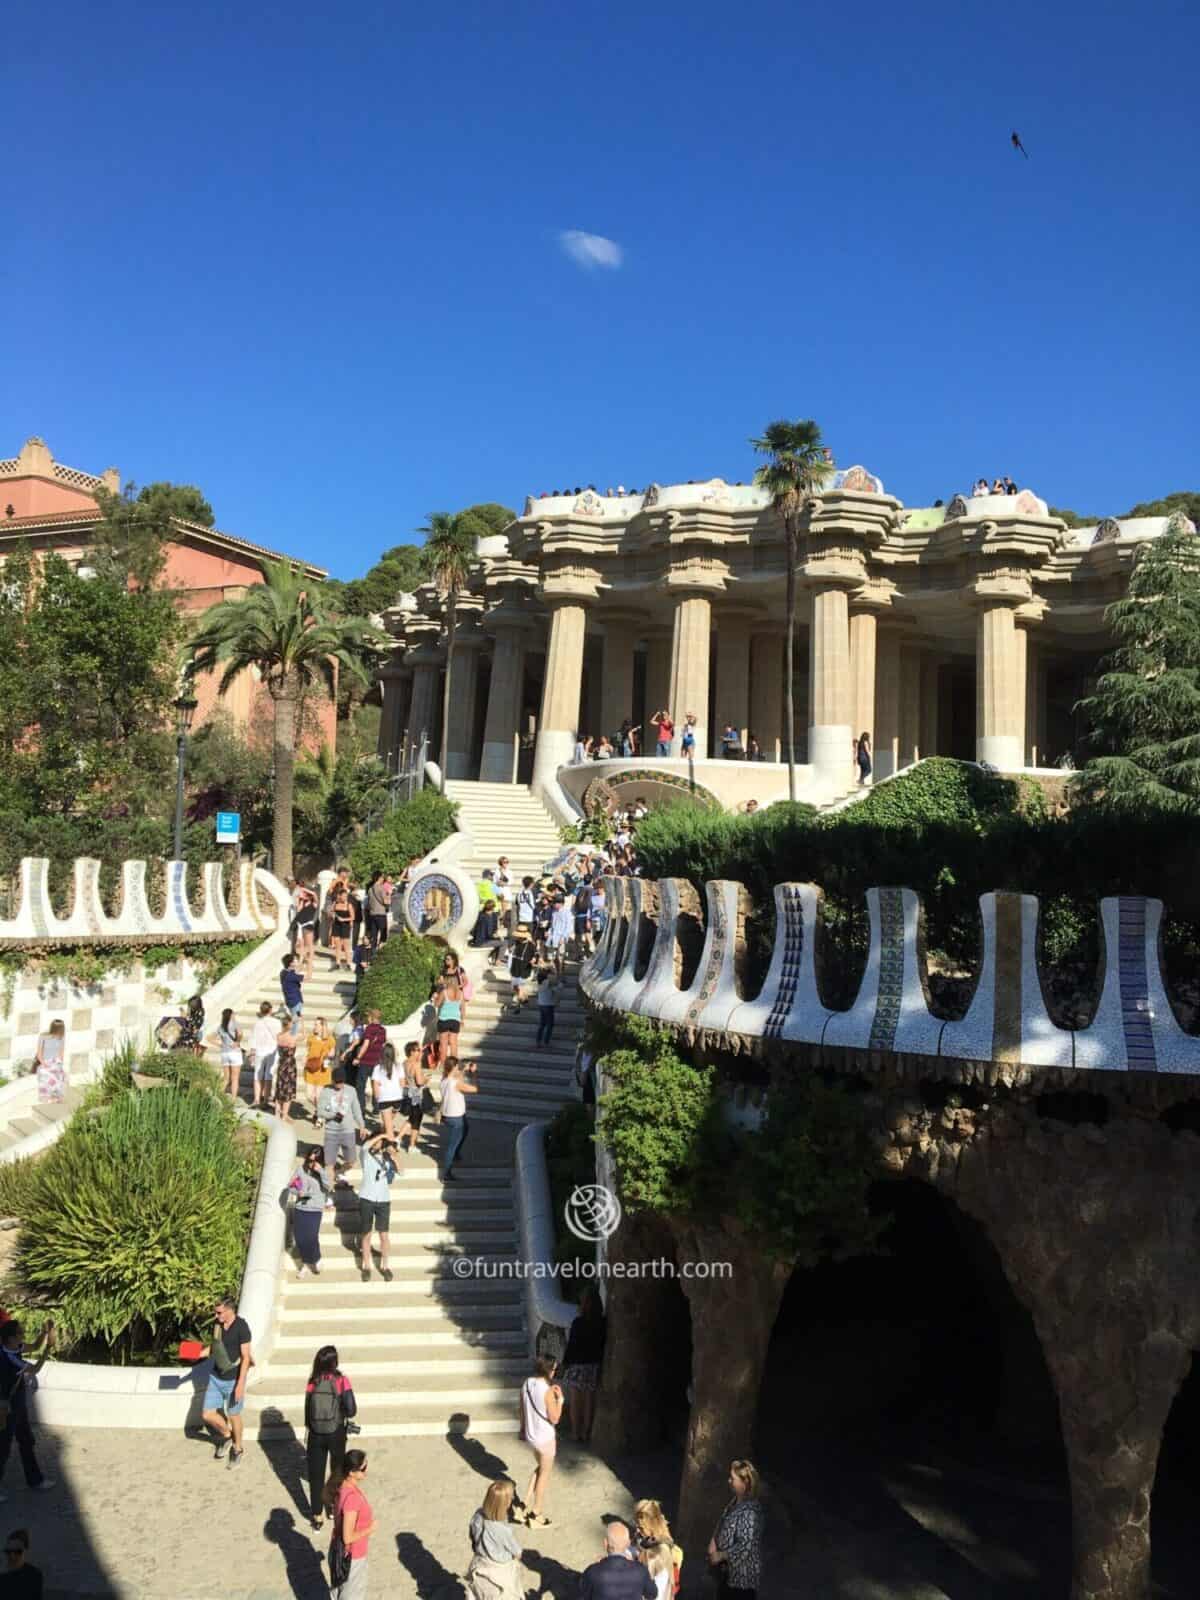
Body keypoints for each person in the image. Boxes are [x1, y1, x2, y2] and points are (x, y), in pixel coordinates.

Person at [305, 1346, 357, 1531]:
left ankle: (317, 1515)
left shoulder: (313, 1381)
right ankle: (334, 1507)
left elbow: (307, 1410)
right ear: (335, 1362)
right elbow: (352, 1410)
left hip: (315, 1433)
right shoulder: (342, 1380)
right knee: (337, 1471)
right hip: (336, 1432)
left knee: (316, 1475)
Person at [0, 1324, 54, 1500]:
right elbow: (35, 1369)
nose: (23, 1335)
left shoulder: (13, 1347)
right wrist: (49, 1348)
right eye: (20, 1333)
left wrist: (44, 1333)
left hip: (17, 1402)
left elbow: (34, 1346)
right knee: (3, 1446)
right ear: (10, 1339)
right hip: (6, 1406)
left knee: (26, 1440)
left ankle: (35, 1480)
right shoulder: (10, 1359)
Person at [200, 1297, 252, 1469]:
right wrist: (196, 1353)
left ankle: (238, 1449)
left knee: (234, 1415)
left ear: (230, 1310)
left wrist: (240, 1384)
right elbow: (214, 1348)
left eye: (219, 1312)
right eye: (216, 1312)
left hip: (233, 1380)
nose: (216, 1315)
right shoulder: (217, 1326)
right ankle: (227, 1435)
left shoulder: (242, 1327)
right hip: (216, 1377)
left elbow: (246, 1358)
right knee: (207, 1414)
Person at [707, 1459, 765, 1600]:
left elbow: (746, 1546)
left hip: (740, 1581)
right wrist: (714, 1540)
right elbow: (724, 1522)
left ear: (744, 1484)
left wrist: (721, 1555)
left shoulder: (750, 1511)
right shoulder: (735, 1501)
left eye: (733, 1478)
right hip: (727, 1576)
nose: (729, 1481)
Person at [517, 1355, 562, 1529]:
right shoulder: (548, 1391)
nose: (554, 1372)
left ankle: (524, 1504)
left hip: (531, 1435)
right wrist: (561, 1401)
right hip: (545, 1438)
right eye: (554, 1369)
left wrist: (522, 1428)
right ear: (548, 1370)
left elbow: (521, 1407)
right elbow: (555, 1418)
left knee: (540, 1468)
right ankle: (536, 1513)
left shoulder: (527, 1383)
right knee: (544, 1475)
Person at [325, 1449, 374, 1600]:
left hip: (337, 1551)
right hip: (352, 1556)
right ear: (352, 1472)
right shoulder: (352, 1498)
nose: (366, 1471)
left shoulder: (341, 1487)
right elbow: (348, 1537)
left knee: (337, 1592)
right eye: (363, 1468)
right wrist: (369, 1529)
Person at [466, 1478, 525, 1600]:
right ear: (506, 1503)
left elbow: (472, 1536)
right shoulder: (502, 1529)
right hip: (499, 1569)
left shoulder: (477, 1515)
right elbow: (517, 1552)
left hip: (480, 1562)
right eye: (511, 1498)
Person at [561, 1285, 606, 1442]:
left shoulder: (578, 1323)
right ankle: (586, 1432)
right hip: (593, 1366)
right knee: (589, 1401)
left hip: (578, 1365)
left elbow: (572, 1345)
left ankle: (575, 1432)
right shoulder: (602, 1322)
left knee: (575, 1401)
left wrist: (565, 1362)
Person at [319, 1067, 365, 1199]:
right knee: (329, 1164)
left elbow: (356, 1110)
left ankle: (339, 1172)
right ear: (332, 1080)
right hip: (331, 1132)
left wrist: (362, 1125)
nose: (339, 1085)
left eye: (341, 1082)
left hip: (348, 1131)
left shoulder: (351, 1091)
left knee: (351, 1161)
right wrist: (333, 1115)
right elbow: (320, 1111)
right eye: (337, 1082)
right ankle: (329, 1194)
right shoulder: (326, 1091)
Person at [579, 1520, 655, 1600]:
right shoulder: (640, 1570)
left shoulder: (592, 1572)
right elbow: (652, 1594)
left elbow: (584, 1593)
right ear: (628, 1543)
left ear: (605, 1544)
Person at [288, 1147, 329, 1277]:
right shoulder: (301, 1169)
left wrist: (320, 1171)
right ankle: (305, 1264)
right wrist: (297, 1191)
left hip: (315, 1208)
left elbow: (328, 1186)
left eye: (314, 1161)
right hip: (301, 1206)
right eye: (310, 1160)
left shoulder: (322, 1172)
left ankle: (316, 1259)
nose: (311, 1163)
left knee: (311, 1237)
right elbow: (291, 1185)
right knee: (300, 1238)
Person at [634, 1501, 682, 1599]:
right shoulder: (647, 1539)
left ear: (652, 1525)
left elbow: (658, 1592)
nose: (637, 1530)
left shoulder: (662, 1551)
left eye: (641, 1527)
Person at [440, 1058, 479, 1182]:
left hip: (448, 1115)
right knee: (452, 1146)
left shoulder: (444, 1080)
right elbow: (474, 1089)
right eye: (458, 1067)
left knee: (466, 1128)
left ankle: (456, 1153)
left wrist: (463, 1070)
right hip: (456, 1118)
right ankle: (446, 1172)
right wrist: (473, 1074)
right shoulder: (455, 1083)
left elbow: (457, 1079)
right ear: (455, 1067)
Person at [345, 1008, 386, 1116]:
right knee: (375, 1085)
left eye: (368, 1016)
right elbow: (382, 1045)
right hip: (377, 1062)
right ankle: (376, 1109)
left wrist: (358, 1057)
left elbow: (366, 1044)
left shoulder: (369, 1028)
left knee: (360, 1086)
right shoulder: (383, 1030)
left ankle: (361, 1110)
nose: (367, 1018)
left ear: (371, 1017)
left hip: (366, 1061)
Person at [371, 1043, 407, 1140]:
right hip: (397, 1098)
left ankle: (391, 1150)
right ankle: (384, 1134)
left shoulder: (378, 1068)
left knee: (389, 1130)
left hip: (384, 1099)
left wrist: (377, 1098)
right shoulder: (399, 1067)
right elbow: (403, 1084)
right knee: (389, 1123)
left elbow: (375, 1086)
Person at [251, 1001, 281, 1112]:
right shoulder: (277, 1022)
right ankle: (266, 1099)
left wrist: (252, 1052)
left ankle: (256, 1099)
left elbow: (254, 1038)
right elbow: (279, 1037)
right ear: (270, 1010)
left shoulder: (258, 1023)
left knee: (257, 1075)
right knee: (269, 1075)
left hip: (260, 1051)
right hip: (272, 1051)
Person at [397, 1040, 426, 1153]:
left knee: (414, 1118)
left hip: (407, 1092)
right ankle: (406, 1141)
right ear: (412, 1051)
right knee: (416, 1119)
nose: (420, 1052)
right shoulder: (416, 1065)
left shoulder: (404, 1063)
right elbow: (419, 1081)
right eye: (418, 1050)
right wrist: (426, 1079)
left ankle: (407, 1142)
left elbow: (403, 1081)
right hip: (416, 1094)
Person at [304, 1017, 335, 1120]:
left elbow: (333, 1053)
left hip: (322, 1070)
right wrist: (304, 1059)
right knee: (309, 1096)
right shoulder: (311, 1038)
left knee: (318, 1096)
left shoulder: (330, 1039)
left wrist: (330, 1055)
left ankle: (320, 1118)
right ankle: (322, 1110)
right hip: (311, 1069)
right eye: (314, 1024)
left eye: (317, 1025)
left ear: (323, 1026)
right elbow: (308, 1051)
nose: (315, 1027)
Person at [0, 1528, 42, 1597]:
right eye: (8, 1551)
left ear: (26, 1551)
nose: (12, 1556)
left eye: (18, 1551)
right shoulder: (3, 1577)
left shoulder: (34, 1576)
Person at [32, 1022, 65, 1107]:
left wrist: (59, 1064)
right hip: (45, 1062)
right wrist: (44, 1063)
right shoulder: (43, 1037)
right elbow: (39, 1053)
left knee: (60, 1074)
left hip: (56, 1062)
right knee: (45, 1073)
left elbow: (61, 1053)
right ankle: (48, 1097)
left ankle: (56, 1096)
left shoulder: (61, 1038)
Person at [274, 1015, 300, 1121]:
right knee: (288, 1091)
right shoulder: (292, 1038)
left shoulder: (278, 1036)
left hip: (281, 1064)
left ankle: (276, 1113)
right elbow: (304, 1035)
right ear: (289, 1024)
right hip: (290, 1065)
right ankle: (284, 1116)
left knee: (280, 1088)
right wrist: (301, 1023)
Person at [214, 1008, 244, 1099]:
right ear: (231, 1015)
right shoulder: (235, 1023)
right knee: (235, 1078)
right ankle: (233, 1099)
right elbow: (240, 1033)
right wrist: (238, 1042)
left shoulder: (221, 1026)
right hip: (234, 1053)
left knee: (226, 1078)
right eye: (233, 1014)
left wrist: (220, 1044)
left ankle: (217, 1096)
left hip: (224, 1053)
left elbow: (209, 1038)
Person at [436, 980, 463, 1064]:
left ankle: (444, 1065)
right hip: (455, 1020)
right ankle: (454, 1065)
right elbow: (463, 1008)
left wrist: (435, 997)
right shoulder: (461, 993)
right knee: (453, 1043)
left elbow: (437, 1004)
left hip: (444, 1019)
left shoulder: (445, 992)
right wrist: (462, 1019)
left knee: (443, 1044)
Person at [364, 873, 392, 953]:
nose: (383, 879)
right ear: (379, 878)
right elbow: (386, 902)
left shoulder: (370, 889)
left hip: (372, 914)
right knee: (383, 935)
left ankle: (373, 953)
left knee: (374, 935)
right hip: (381, 914)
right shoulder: (381, 888)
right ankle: (381, 952)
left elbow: (369, 903)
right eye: (382, 877)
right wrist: (389, 894)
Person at [329, 884, 354, 971]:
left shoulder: (349, 905)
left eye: (346, 896)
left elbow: (353, 917)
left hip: (345, 926)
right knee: (337, 945)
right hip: (336, 925)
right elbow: (330, 913)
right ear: (339, 896)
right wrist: (332, 915)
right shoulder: (335, 903)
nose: (345, 898)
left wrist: (344, 919)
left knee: (346, 946)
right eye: (343, 896)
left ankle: (348, 964)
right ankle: (337, 963)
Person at [294, 886, 318, 977]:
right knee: (301, 947)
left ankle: (309, 972)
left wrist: (304, 889)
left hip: (308, 926)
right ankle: (301, 963)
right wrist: (300, 899)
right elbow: (298, 911)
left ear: (308, 895)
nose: (302, 895)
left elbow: (315, 895)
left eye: (304, 894)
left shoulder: (314, 904)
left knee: (310, 947)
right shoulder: (303, 903)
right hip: (301, 926)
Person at [535, 967, 559, 1049]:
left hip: (541, 1005)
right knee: (550, 1024)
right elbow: (556, 985)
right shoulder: (547, 982)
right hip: (548, 1005)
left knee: (542, 1024)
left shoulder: (540, 983)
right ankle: (546, 1042)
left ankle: (538, 1041)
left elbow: (553, 988)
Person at [281, 954, 304, 1020]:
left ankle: (303, 1030)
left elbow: (297, 971)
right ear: (291, 963)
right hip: (295, 1002)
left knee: (298, 1018)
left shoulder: (283, 972)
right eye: (295, 960)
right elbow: (308, 978)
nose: (296, 961)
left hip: (290, 1001)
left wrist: (301, 960)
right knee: (295, 1023)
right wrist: (310, 964)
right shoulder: (290, 976)